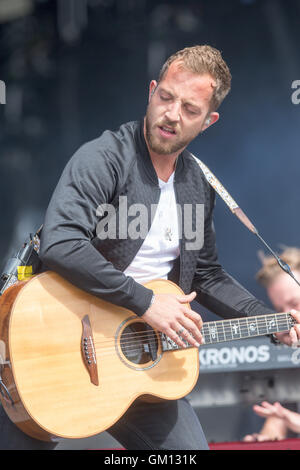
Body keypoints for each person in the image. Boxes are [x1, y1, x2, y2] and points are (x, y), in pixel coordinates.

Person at [14, 45, 300, 451]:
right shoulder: (103, 157)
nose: (171, 114)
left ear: (208, 121)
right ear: (151, 91)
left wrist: (270, 320)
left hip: (139, 360)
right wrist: (146, 302)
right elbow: (62, 241)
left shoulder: (198, 184)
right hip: (54, 343)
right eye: (166, 97)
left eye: (189, 109)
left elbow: (206, 273)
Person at [244, 247, 300, 442]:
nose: (287, 316)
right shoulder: (291, 347)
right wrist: (267, 439)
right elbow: (283, 412)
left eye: (295, 304)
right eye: (279, 309)